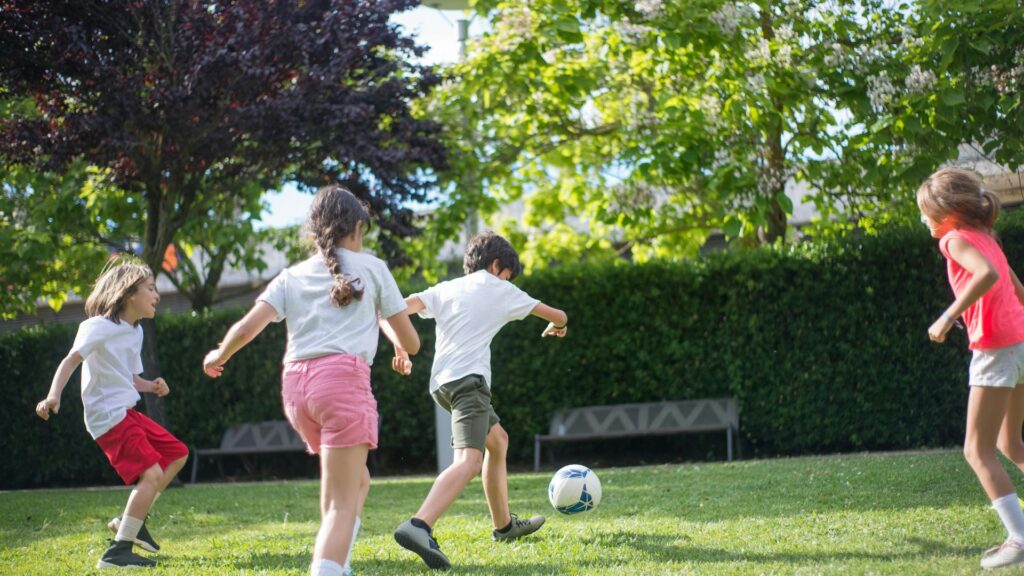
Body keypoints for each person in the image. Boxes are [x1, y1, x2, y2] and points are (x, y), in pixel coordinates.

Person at [203, 184, 419, 576]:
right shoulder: (373, 268)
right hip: (341, 385)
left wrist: (220, 354)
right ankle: (327, 569)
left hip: (297, 390)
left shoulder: (291, 275)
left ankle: (340, 564)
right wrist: (403, 344)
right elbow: (413, 341)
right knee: (341, 502)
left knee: (355, 482)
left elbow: (247, 328)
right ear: (357, 227)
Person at [391, 231, 568, 570]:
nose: (507, 282)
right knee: (469, 461)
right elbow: (558, 314)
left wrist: (400, 346)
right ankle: (419, 525)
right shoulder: (501, 288)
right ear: (497, 265)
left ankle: (504, 527)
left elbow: (400, 308)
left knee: (498, 441)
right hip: (469, 383)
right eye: (507, 275)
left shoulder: (446, 288)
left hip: (442, 385)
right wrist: (557, 326)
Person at [35, 259, 189, 569]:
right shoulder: (97, 326)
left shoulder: (136, 331)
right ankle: (117, 554)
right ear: (129, 293)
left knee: (177, 454)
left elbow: (129, 378)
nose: (157, 295)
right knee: (152, 474)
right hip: (107, 415)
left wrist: (151, 385)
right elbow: (71, 360)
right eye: (151, 289)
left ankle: (132, 521)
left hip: (126, 410)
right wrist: (53, 395)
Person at [918, 168, 1024, 569]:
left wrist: (947, 317)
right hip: (1019, 344)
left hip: (996, 349)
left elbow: (988, 275)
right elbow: (1017, 290)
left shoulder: (954, 239)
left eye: (926, 212)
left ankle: (1020, 539)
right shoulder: (987, 237)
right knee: (1010, 445)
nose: (924, 220)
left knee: (976, 450)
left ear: (947, 214)